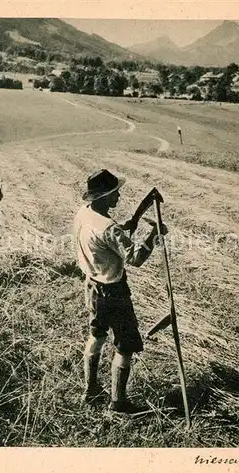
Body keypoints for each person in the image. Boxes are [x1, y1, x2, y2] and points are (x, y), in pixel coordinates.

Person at [74, 169, 166, 414]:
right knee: (125, 345)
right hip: (114, 292)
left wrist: (125, 229)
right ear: (102, 197)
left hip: (92, 286)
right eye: (115, 193)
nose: (118, 197)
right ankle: (118, 403)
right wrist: (154, 234)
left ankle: (90, 389)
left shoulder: (84, 214)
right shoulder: (110, 229)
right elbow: (135, 259)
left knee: (97, 336)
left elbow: (105, 238)